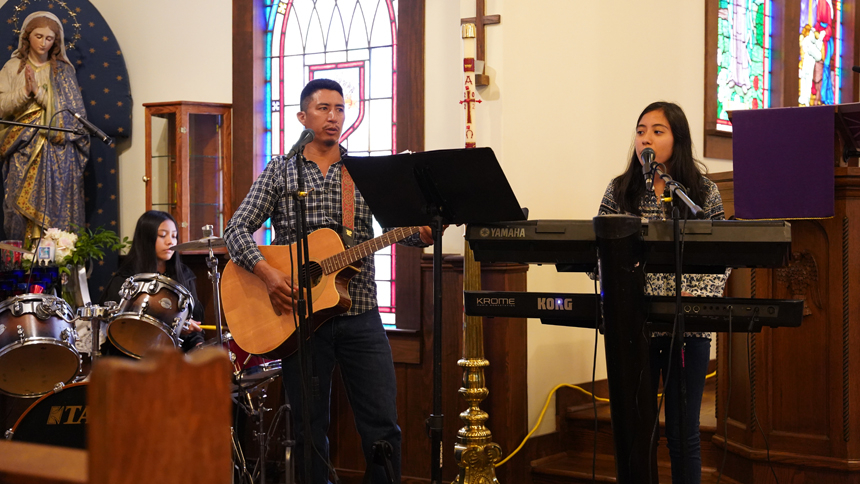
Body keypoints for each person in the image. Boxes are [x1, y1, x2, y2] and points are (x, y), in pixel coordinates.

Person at [224, 78, 433, 484]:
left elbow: (396, 227)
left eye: (339, 108)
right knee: (306, 429)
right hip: (299, 319)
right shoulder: (280, 172)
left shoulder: (362, 173)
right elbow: (235, 230)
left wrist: (421, 232)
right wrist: (266, 273)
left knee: (382, 426)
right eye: (323, 108)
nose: (333, 116)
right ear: (303, 116)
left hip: (360, 314)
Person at [596, 101, 728, 484]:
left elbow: (723, 258)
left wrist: (687, 301)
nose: (645, 139)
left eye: (657, 130)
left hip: (687, 328)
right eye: (640, 131)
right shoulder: (620, 189)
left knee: (683, 436)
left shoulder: (702, 192)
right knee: (639, 433)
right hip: (633, 324)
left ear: (678, 138)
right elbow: (599, 252)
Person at [0, 11, 89, 242]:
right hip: (21, 150)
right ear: (27, 37)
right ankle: (22, 262)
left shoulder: (64, 72)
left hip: (58, 157)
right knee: (17, 208)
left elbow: (75, 118)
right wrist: (24, 92)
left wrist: (39, 94)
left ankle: (57, 257)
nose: (43, 43)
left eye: (49, 38)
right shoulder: (12, 68)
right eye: (38, 36)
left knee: (55, 215)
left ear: (56, 42)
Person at [100, 210, 204, 354]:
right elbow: (115, 323)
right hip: (129, 352)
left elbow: (193, 325)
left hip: (170, 355)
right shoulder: (126, 277)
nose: (171, 241)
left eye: (174, 236)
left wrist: (199, 344)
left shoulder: (184, 275)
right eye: (162, 235)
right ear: (146, 238)